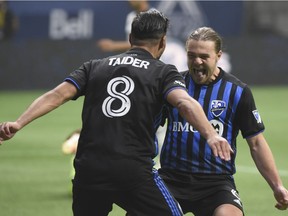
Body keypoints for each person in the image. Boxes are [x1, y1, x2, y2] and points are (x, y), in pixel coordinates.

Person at [0, 10, 232, 216]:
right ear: (162, 42)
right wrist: (211, 135)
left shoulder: (94, 66)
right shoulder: (163, 72)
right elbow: (184, 103)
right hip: (132, 172)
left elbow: (56, 95)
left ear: (130, 39)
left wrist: (19, 123)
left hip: (89, 171)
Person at [158, 26, 288, 216]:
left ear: (218, 56)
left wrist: (277, 186)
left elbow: (257, 143)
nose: (197, 62)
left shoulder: (237, 91)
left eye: (204, 56)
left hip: (216, 183)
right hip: (171, 178)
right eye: (191, 55)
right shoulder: (173, 86)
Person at [97, 0, 187, 72]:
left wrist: (113, 46)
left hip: (171, 55)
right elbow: (134, 46)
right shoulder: (131, 16)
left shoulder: (154, 15)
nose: (130, 1)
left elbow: (146, 43)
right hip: (152, 61)